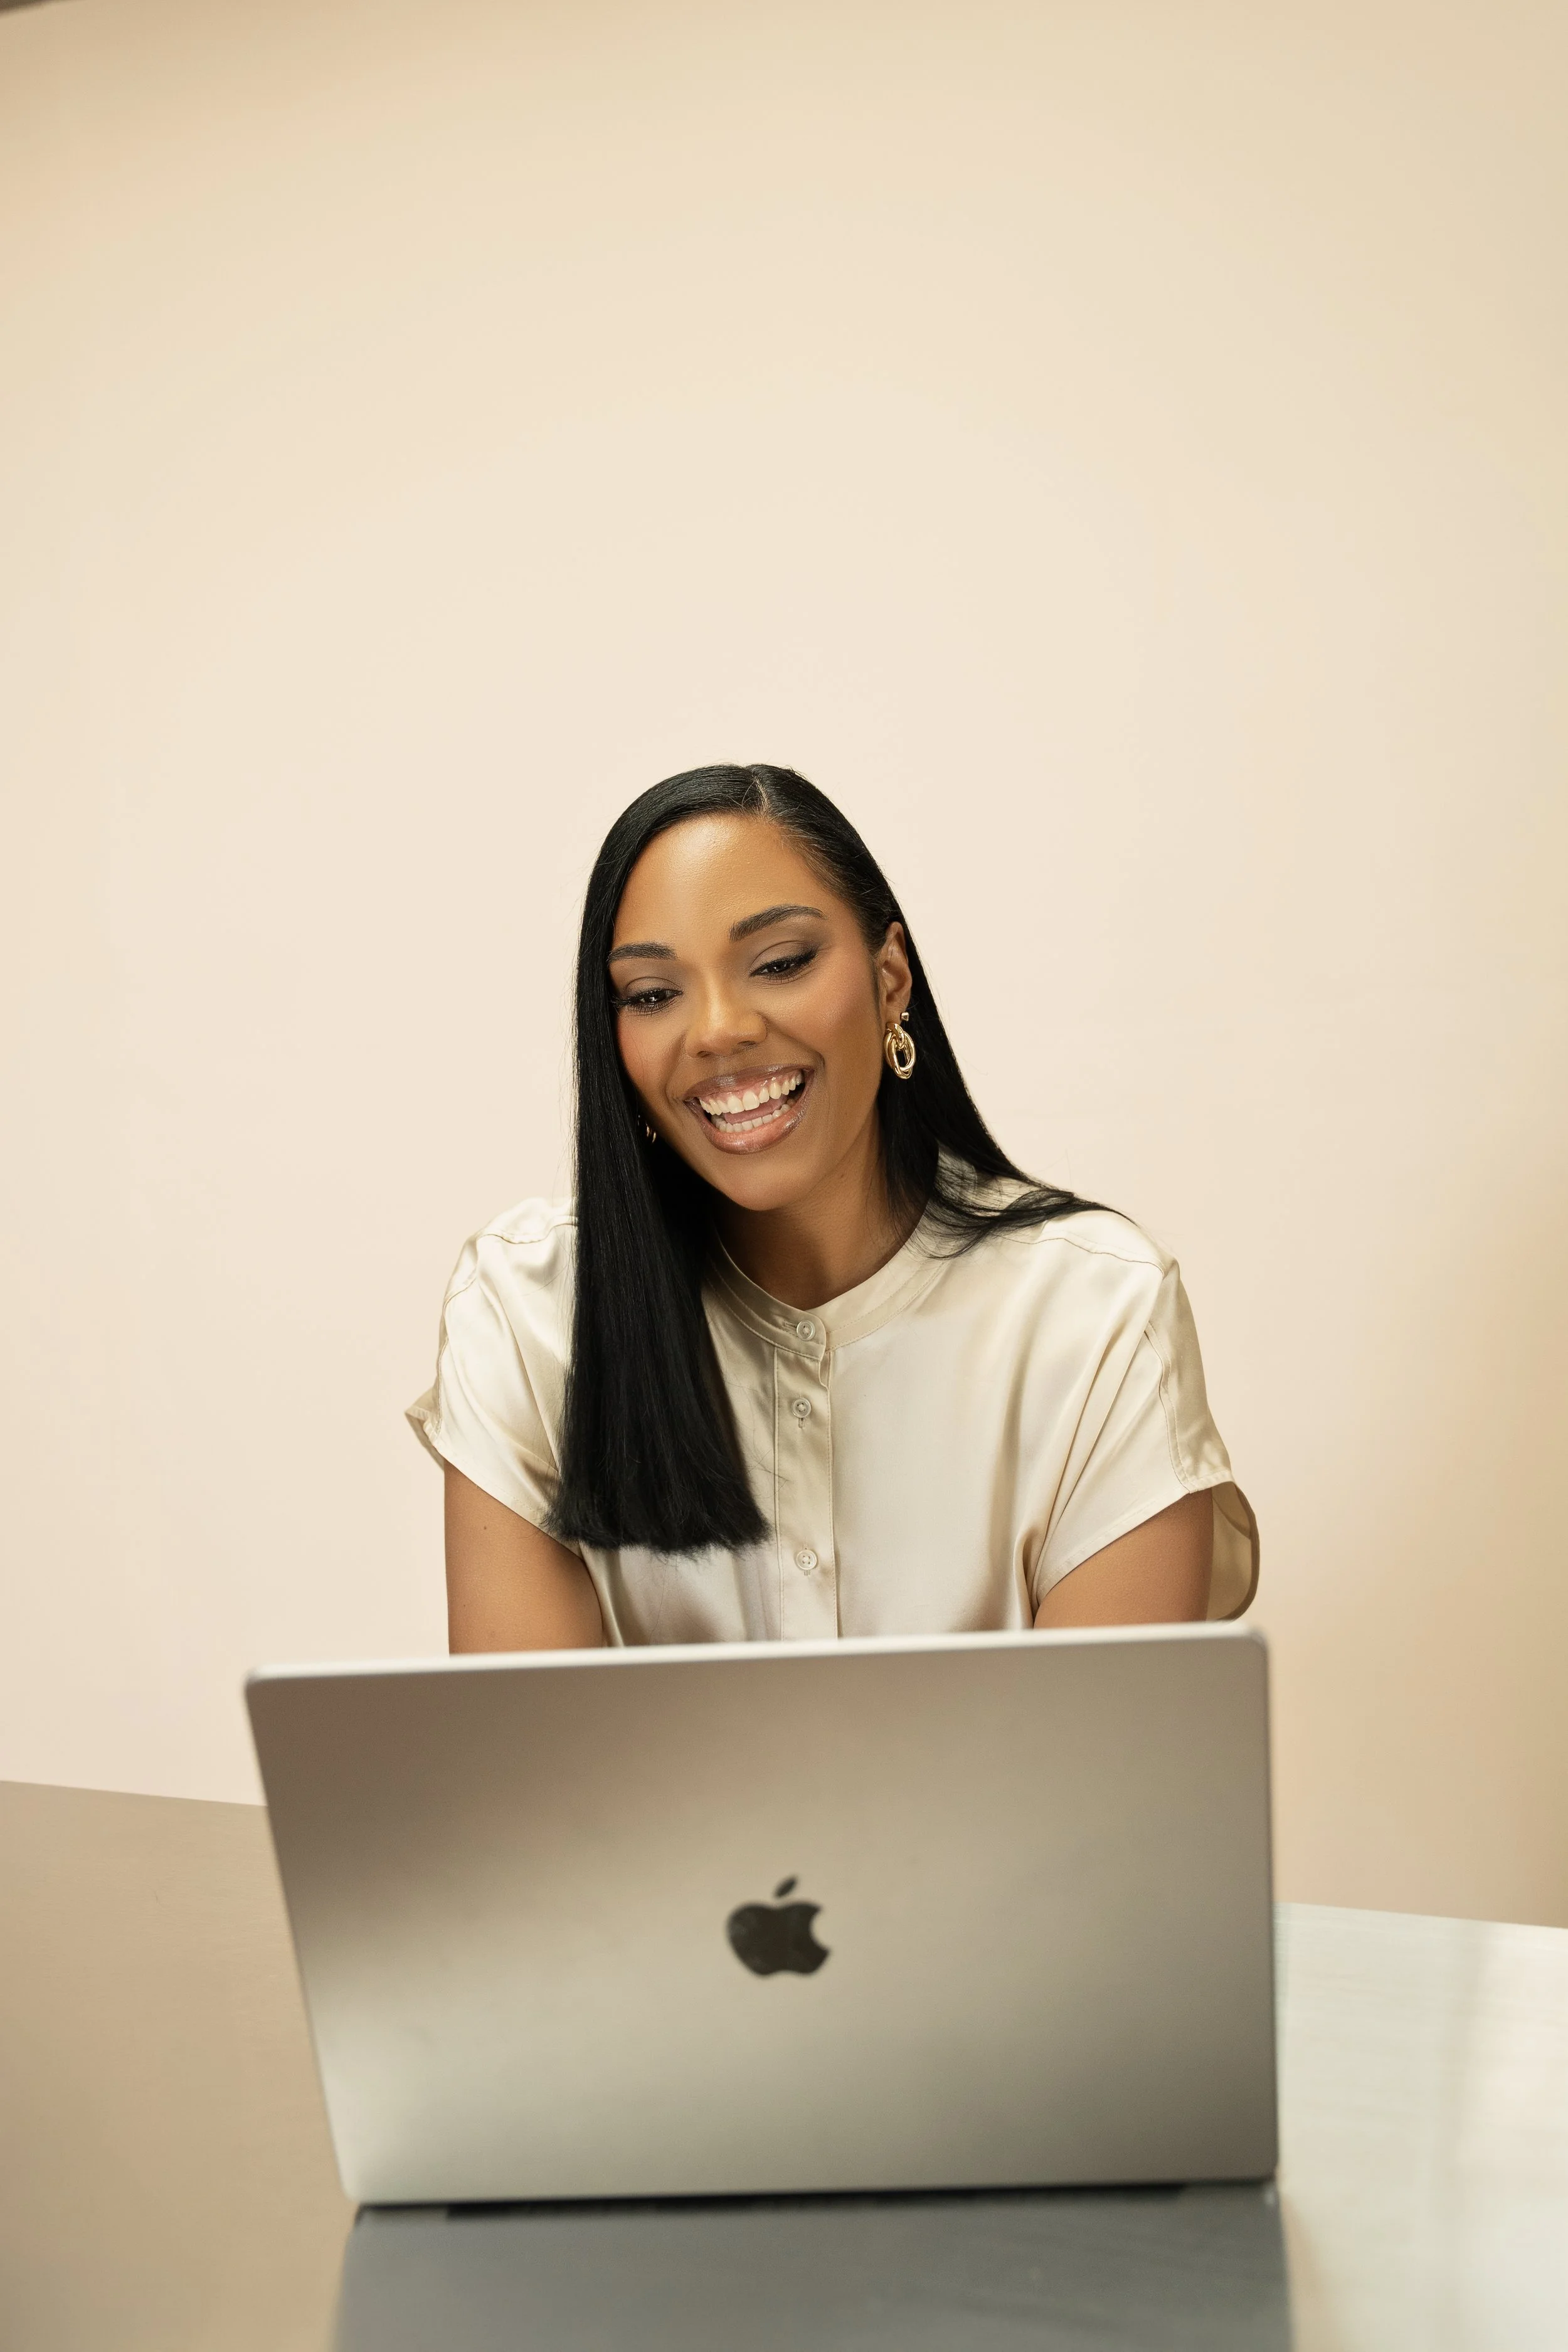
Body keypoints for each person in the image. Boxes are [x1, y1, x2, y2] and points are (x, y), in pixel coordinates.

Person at [409, 763, 1258, 1651]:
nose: (718, 1030)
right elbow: (540, 1778)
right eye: (655, 993)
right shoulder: (529, 1313)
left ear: (892, 978)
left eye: (779, 963)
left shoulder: (1097, 1316)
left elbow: (1104, 1776)